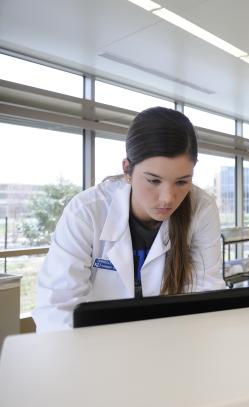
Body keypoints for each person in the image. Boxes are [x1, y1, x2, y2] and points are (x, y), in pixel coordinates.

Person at [33, 107, 225, 332]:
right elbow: (56, 308)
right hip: (97, 344)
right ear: (127, 169)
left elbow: (208, 297)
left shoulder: (201, 209)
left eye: (182, 182)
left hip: (170, 343)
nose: (168, 198)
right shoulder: (86, 211)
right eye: (154, 181)